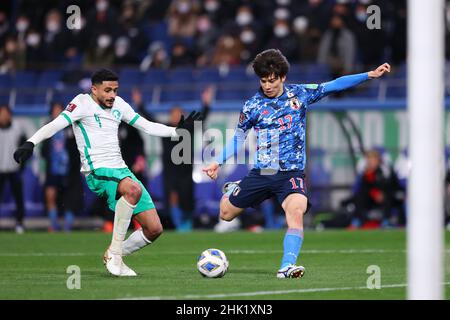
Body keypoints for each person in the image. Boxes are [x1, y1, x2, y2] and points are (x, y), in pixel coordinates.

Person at [203, 49, 390, 278]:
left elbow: (333, 85)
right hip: (263, 172)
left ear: (282, 77)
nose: (268, 85)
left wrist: (368, 75)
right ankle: (234, 188)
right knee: (225, 214)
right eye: (263, 81)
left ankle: (286, 266)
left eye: (272, 80)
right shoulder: (252, 106)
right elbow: (238, 139)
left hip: (291, 174)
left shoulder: (299, 94)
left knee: (296, 212)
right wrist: (218, 162)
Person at [13, 69, 202, 276]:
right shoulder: (82, 103)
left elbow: (146, 126)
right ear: (94, 89)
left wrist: (176, 131)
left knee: (154, 229)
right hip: (96, 169)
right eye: (107, 90)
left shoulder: (119, 104)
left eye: (115, 90)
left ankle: (115, 252)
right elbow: (57, 124)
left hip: (120, 169)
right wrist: (31, 143)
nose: (112, 95)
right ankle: (115, 255)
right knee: (133, 189)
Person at [41, 102, 83, 232]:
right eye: (55, 110)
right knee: (50, 196)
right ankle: (53, 225)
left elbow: (77, 149)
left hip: (69, 171)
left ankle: (67, 227)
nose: (57, 113)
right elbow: (43, 151)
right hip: (53, 170)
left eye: (59, 110)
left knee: (69, 198)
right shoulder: (48, 128)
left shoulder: (71, 127)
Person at [347, 149, 406, 229]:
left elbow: (391, 185)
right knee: (359, 196)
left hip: (388, 195)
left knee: (388, 196)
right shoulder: (366, 173)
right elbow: (365, 187)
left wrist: (381, 193)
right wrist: (374, 192)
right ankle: (358, 220)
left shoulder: (386, 170)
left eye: (372, 159)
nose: (370, 162)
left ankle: (386, 221)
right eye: (369, 159)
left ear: (378, 160)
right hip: (373, 198)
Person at [0, 105, 27, 234]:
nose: (4, 116)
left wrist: (21, 164)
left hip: (14, 169)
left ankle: (20, 223)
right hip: (0, 169)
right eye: (2, 113)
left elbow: (25, 149)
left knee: (18, 198)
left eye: (6, 113)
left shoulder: (17, 128)